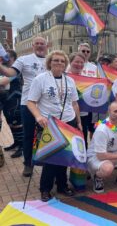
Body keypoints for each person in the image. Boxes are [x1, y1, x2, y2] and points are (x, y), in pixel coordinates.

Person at [27, 50, 82, 202]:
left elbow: (74, 103)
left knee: (65, 157)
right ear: (49, 62)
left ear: (66, 64)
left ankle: (62, 185)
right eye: (55, 60)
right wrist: (38, 116)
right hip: (50, 124)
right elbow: (30, 102)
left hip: (68, 122)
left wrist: (78, 122)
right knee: (50, 158)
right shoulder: (40, 79)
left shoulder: (69, 80)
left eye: (62, 61)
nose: (59, 63)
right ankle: (45, 188)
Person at [0, 36, 47, 177]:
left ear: (46, 46)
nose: (39, 46)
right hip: (27, 103)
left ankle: (48, 164)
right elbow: (10, 73)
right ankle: (28, 164)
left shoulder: (51, 60)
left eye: (42, 44)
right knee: (28, 135)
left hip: (46, 105)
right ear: (33, 46)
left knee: (48, 136)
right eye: (37, 43)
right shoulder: (24, 59)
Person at [87, 101, 117, 193]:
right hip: (96, 156)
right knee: (108, 168)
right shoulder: (102, 129)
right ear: (109, 112)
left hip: (115, 151)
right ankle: (97, 178)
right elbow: (100, 155)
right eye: (116, 111)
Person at [1, 50, 24, 158]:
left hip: (15, 100)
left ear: (14, 59)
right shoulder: (4, 70)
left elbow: (3, 82)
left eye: (7, 57)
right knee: (10, 123)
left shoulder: (16, 70)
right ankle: (16, 142)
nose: (5, 59)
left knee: (17, 123)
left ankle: (22, 146)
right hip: (6, 101)